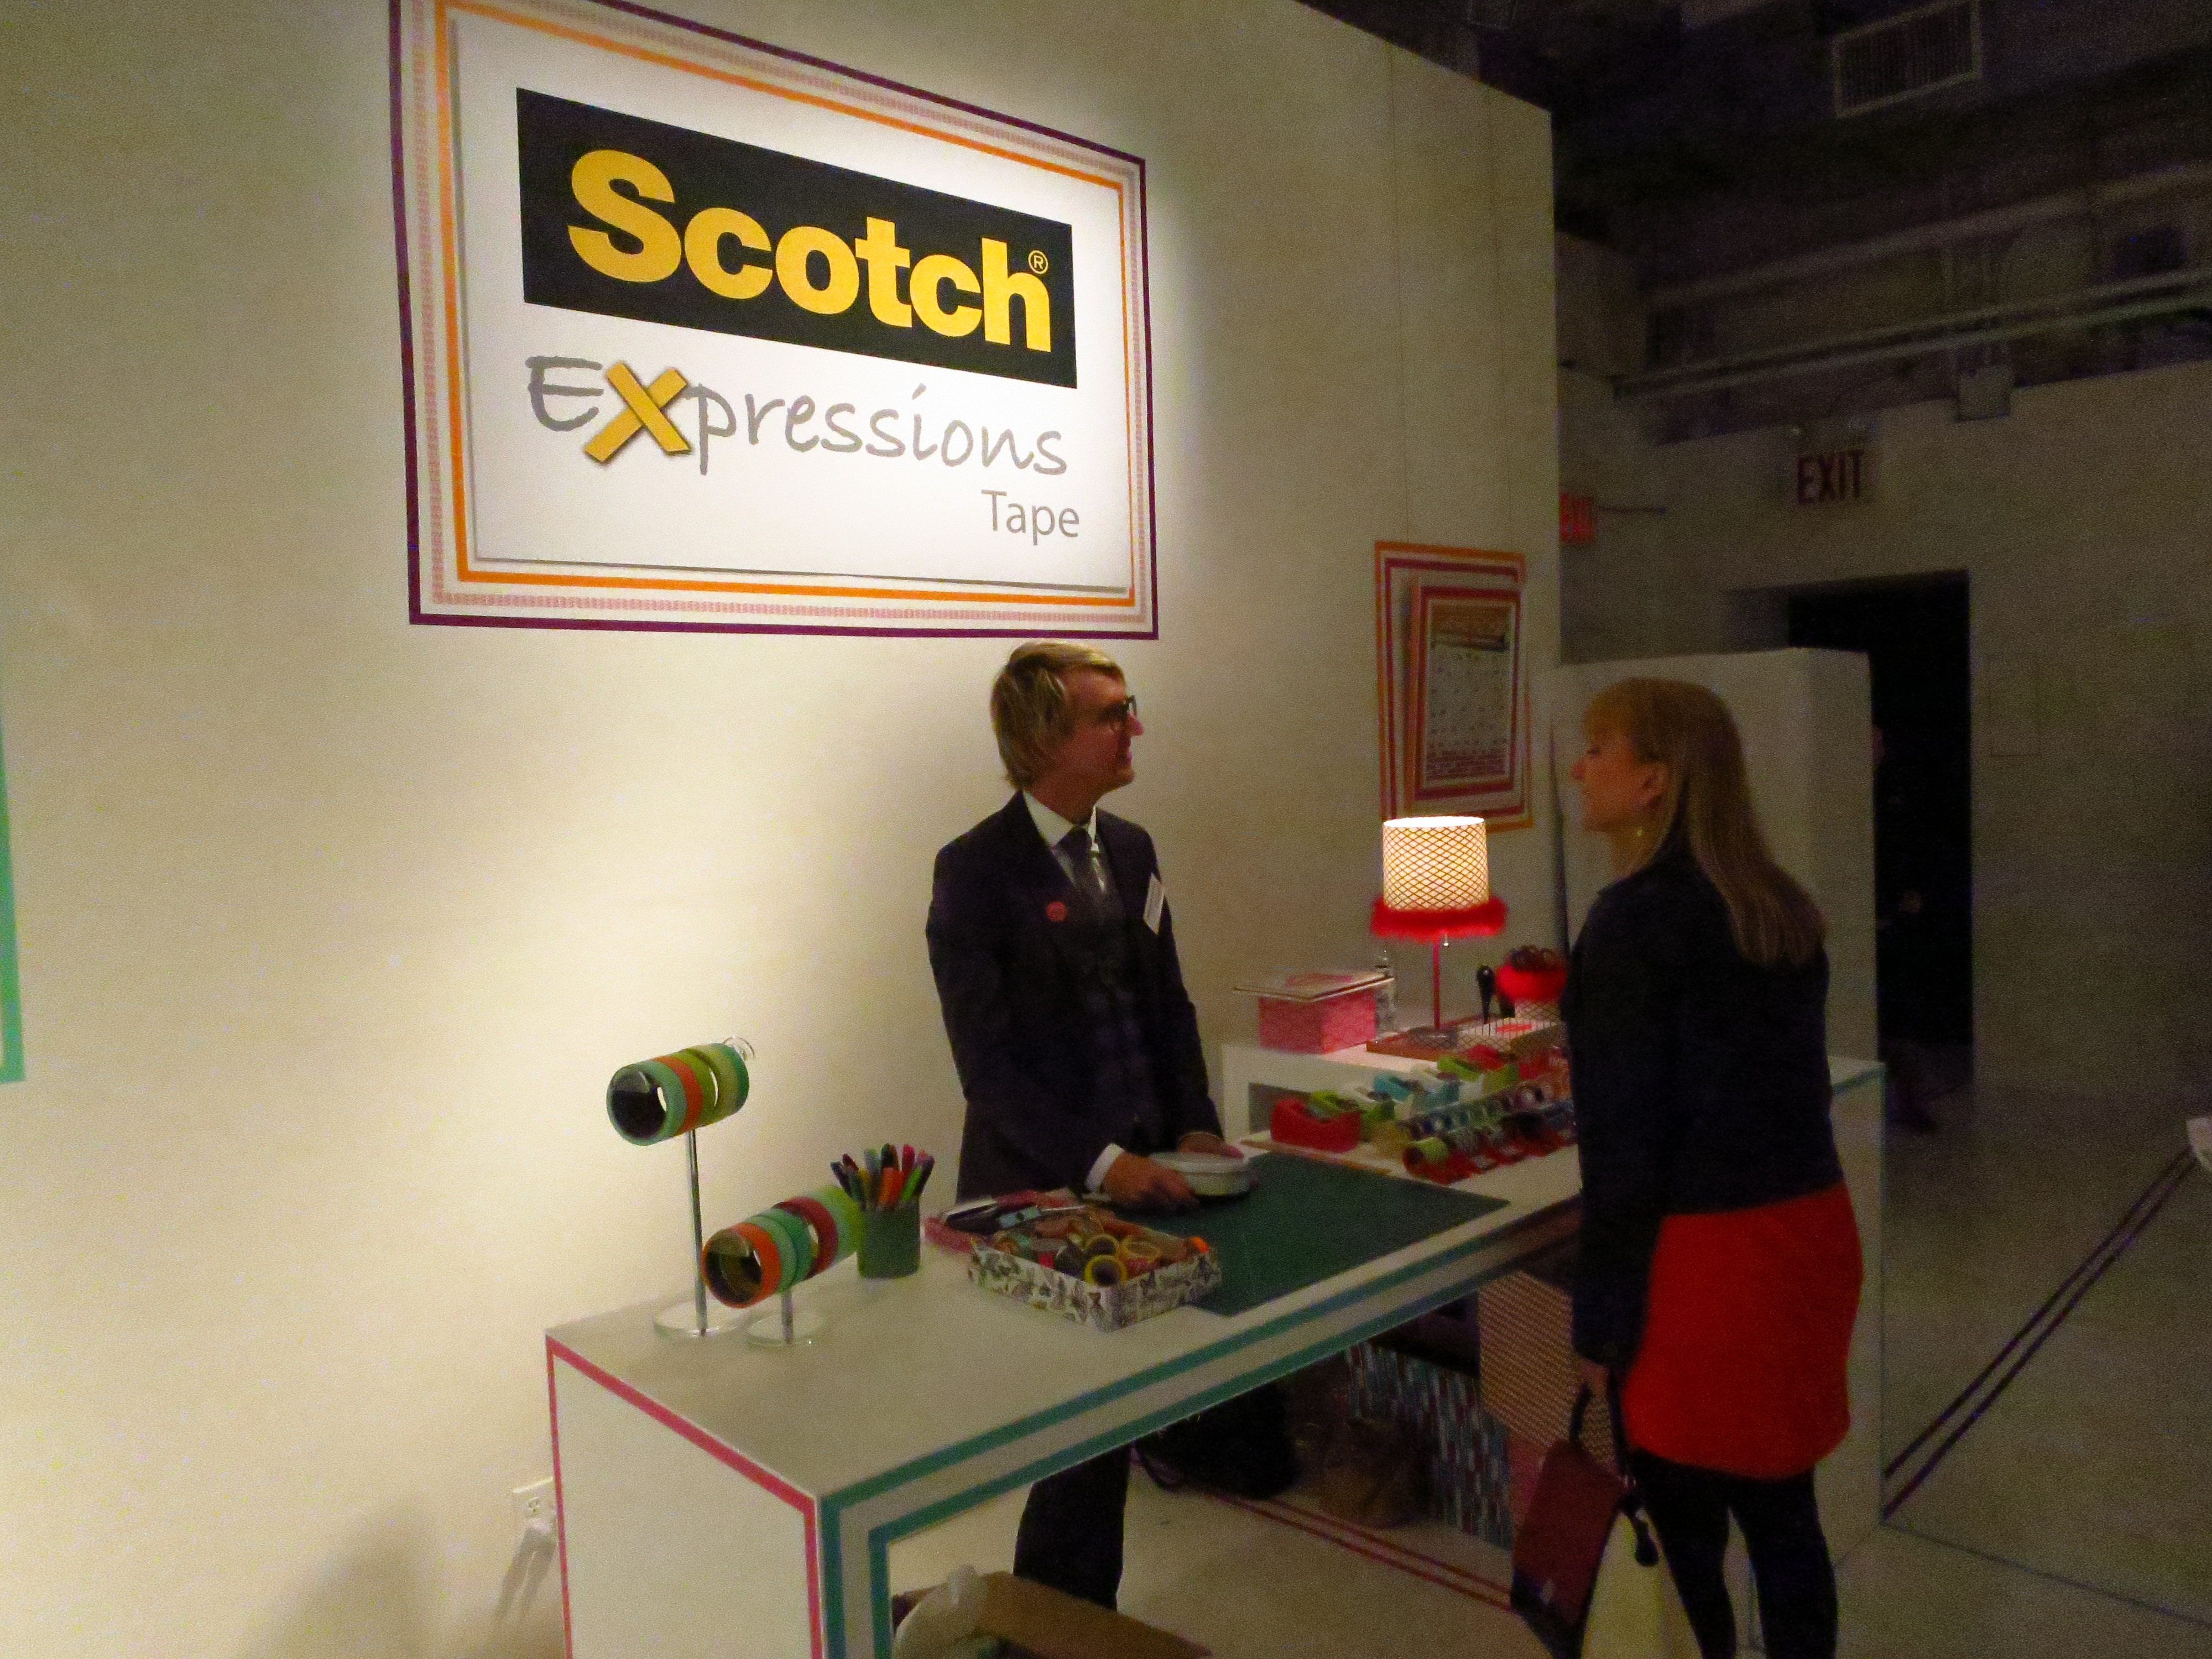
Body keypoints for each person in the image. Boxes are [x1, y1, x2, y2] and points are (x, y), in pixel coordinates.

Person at [926, 639, 1234, 1609]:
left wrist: (1195, 1125)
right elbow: (989, 1072)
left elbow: (1168, 1004)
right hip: (1042, 1191)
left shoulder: (1132, 850)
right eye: (1111, 715)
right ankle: (1059, 1623)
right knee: (1076, 1445)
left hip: (1149, 1174)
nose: (1134, 728)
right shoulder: (974, 872)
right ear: (1043, 738)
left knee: (1116, 1424)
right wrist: (1104, 1164)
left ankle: (1071, 1623)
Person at [1563, 678, 1863, 1659]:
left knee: (1684, 1525)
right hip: (1806, 1232)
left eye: (1597, 750)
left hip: (1705, 1265)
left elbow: (1624, 1151)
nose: (1579, 769)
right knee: (1785, 1512)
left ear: (1654, 780)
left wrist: (1600, 1325)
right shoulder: (1777, 907)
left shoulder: (1633, 922)